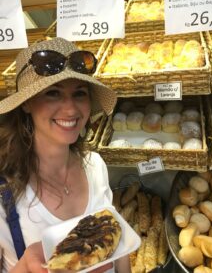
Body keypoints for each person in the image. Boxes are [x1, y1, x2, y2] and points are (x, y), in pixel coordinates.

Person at [0, 37, 131, 273]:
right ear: (26, 103)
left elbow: (118, 247)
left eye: (79, 93)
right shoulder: (3, 193)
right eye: (52, 93)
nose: (70, 109)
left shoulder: (94, 166)